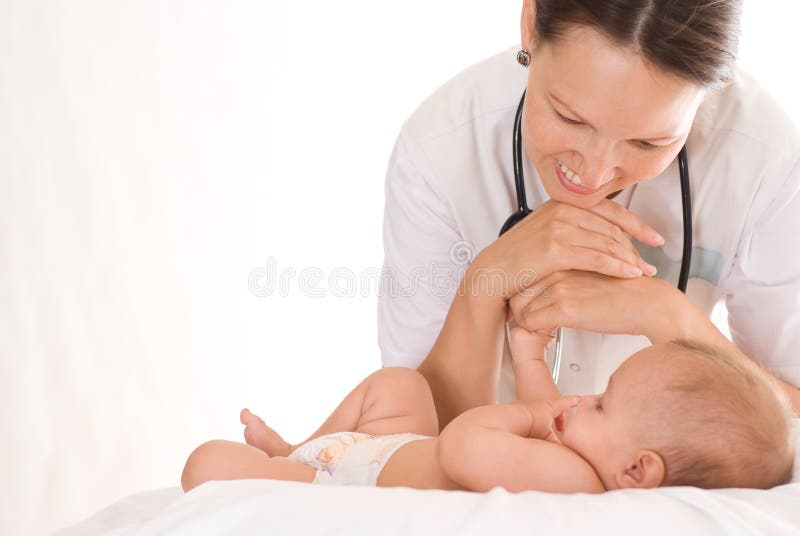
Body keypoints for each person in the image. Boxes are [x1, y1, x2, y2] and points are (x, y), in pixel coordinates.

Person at [378, 0, 800, 430]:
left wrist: (670, 319)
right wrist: (487, 281)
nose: (594, 174)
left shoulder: (767, 159)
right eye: (570, 118)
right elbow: (410, 428)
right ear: (530, 24)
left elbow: (795, 415)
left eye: (648, 144)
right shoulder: (437, 150)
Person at [180, 324, 795, 494]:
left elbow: (463, 447)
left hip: (348, 478)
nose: (583, 400)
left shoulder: (576, 480)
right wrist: (531, 359)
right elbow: (542, 410)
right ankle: (295, 444)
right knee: (400, 386)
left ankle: (294, 467)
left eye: (602, 404)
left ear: (639, 469)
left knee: (205, 464)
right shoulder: (585, 459)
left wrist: (529, 417)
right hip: (388, 448)